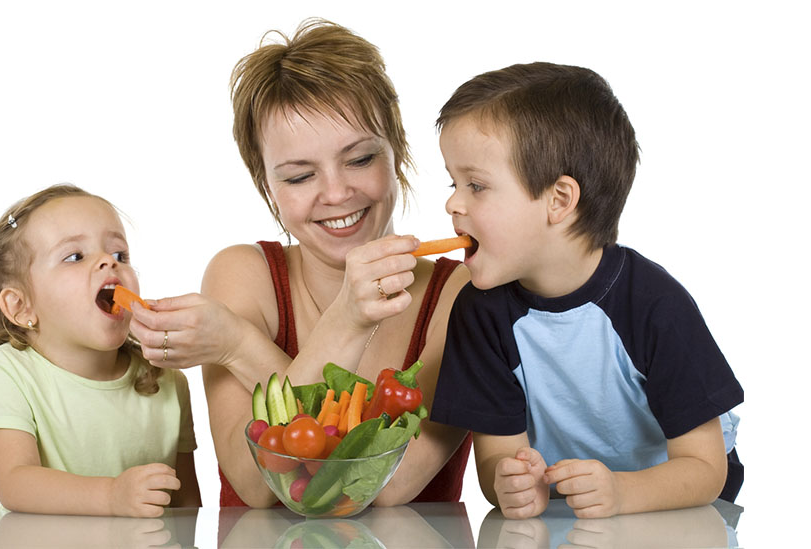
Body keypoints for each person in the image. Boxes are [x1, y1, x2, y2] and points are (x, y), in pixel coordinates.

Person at [129, 19, 472, 507]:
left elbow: (383, 488)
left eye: (360, 159)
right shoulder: (241, 274)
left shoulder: (463, 295)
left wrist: (241, 346)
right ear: (267, 186)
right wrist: (343, 320)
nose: (335, 193)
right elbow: (256, 485)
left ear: (396, 151)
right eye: (299, 176)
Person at [429, 62, 743, 519]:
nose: (452, 203)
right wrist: (512, 483)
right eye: (453, 182)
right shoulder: (479, 314)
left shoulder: (656, 306)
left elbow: (706, 469)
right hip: (576, 515)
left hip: (684, 508)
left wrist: (621, 493)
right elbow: (497, 459)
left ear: (559, 200)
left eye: (476, 186)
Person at [0, 184, 201, 516]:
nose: (109, 262)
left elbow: (186, 505)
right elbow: (15, 483)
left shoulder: (167, 380)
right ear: (20, 306)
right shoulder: (3, 371)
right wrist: (111, 496)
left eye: (120, 255)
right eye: (75, 256)